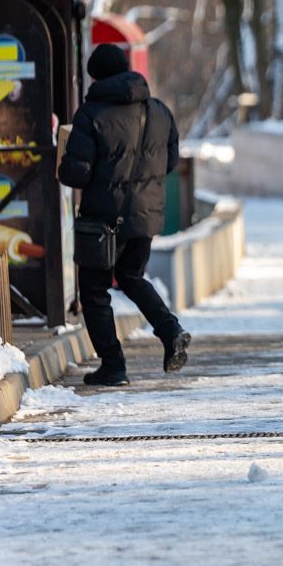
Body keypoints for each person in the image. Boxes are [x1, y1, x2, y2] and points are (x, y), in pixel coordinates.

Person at [59, 44, 191, 387]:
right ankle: (170, 330)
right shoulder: (159, 110)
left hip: (102, 220)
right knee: (131, 276)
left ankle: (113, 365)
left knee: (94, 290)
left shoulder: (90, 115)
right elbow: (171, 162)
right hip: (144, 216)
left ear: (96, 77)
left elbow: (75, 175)